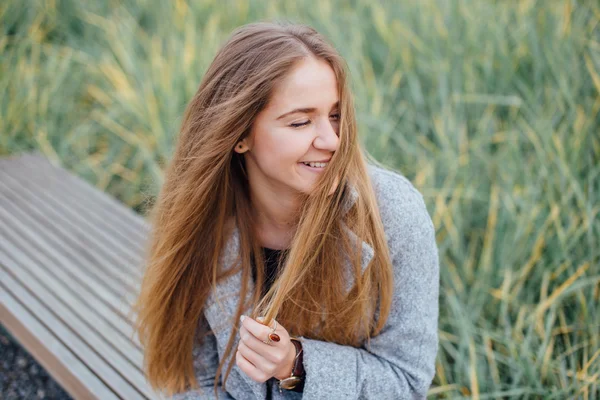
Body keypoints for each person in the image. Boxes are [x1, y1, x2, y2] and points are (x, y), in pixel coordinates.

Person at [133, 20, 439, 400]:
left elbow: (406, 384)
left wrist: (295, 363)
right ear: (240, 135)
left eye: (336, 115)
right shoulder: (202, 213)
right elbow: (198, 379)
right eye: (300, 121)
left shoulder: (393, 213)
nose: (332, 140)